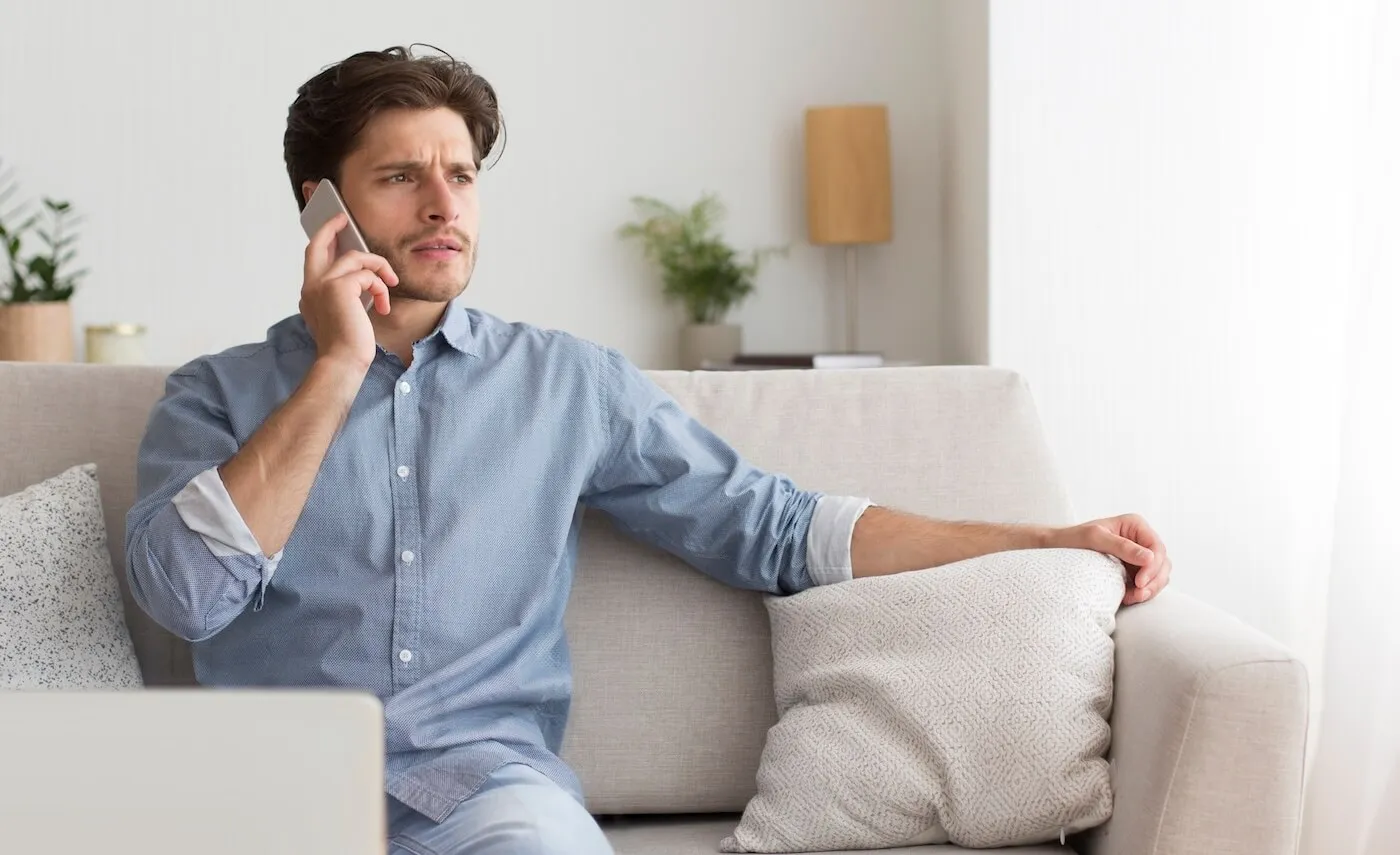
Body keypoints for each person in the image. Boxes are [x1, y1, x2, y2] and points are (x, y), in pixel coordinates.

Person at [125, 45, 1173, 855]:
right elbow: (187, 597)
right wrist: (338, 371)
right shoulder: (216, 396)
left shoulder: (566, 384)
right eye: (401, 177)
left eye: (462, 173)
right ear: (321, 206)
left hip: (489, 803)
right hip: (271, 800)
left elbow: (775, 529)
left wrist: (1043, 538)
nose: (445, 204)